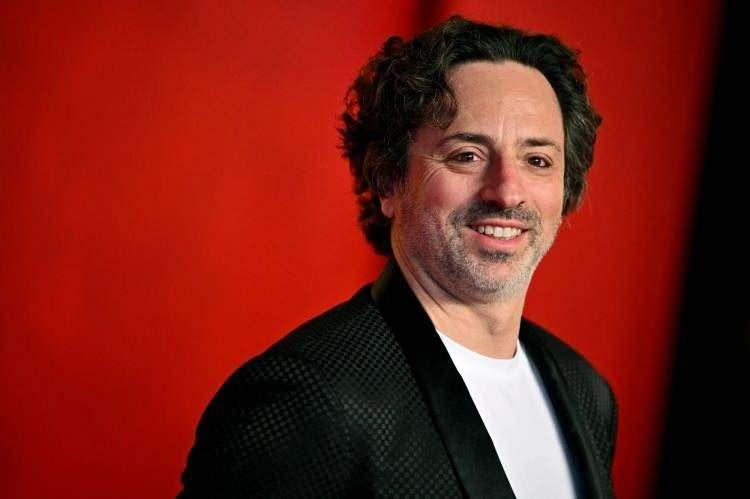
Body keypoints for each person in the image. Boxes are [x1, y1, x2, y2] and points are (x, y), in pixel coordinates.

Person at [179, 15, 617, 499]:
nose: (507, 191)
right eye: (467, 155)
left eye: (537, 161)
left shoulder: (586, 393)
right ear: (389, 180)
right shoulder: (307, 396)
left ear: (566, 190)